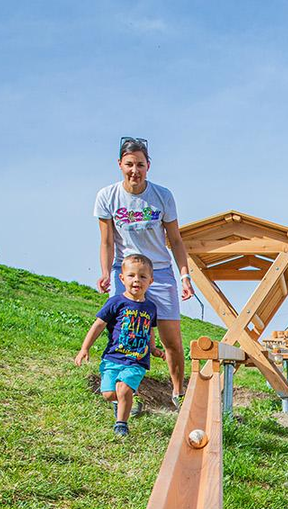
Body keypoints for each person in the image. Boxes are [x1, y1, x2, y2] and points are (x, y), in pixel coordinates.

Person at [94, 136, 194, 406]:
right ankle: (125, 394)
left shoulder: (162, 196)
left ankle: (178, 393)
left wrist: (185, 275)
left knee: (171, 338)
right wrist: (105, 272)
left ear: (148, 165)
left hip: (159, 272)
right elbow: (106, 241)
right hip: (125, 271)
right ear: (119, 164)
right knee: (126, 335)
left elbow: (176, 240)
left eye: (140, 164)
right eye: (129, 164)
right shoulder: (107, 197)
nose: (134, 171)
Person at [74, 254, 161, 437]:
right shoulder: (116, 302)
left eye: (143, 276)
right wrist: (84, 348)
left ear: (150, 281)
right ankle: (125, 402)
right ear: (122, 278)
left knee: (123, 388)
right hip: (113, 357)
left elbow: (149, 329)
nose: (136, 280)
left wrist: (153, 348)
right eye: (131, 275)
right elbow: (98, 325)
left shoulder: (151, 307)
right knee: (108, 394)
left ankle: (121, 424)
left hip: (137, 360)